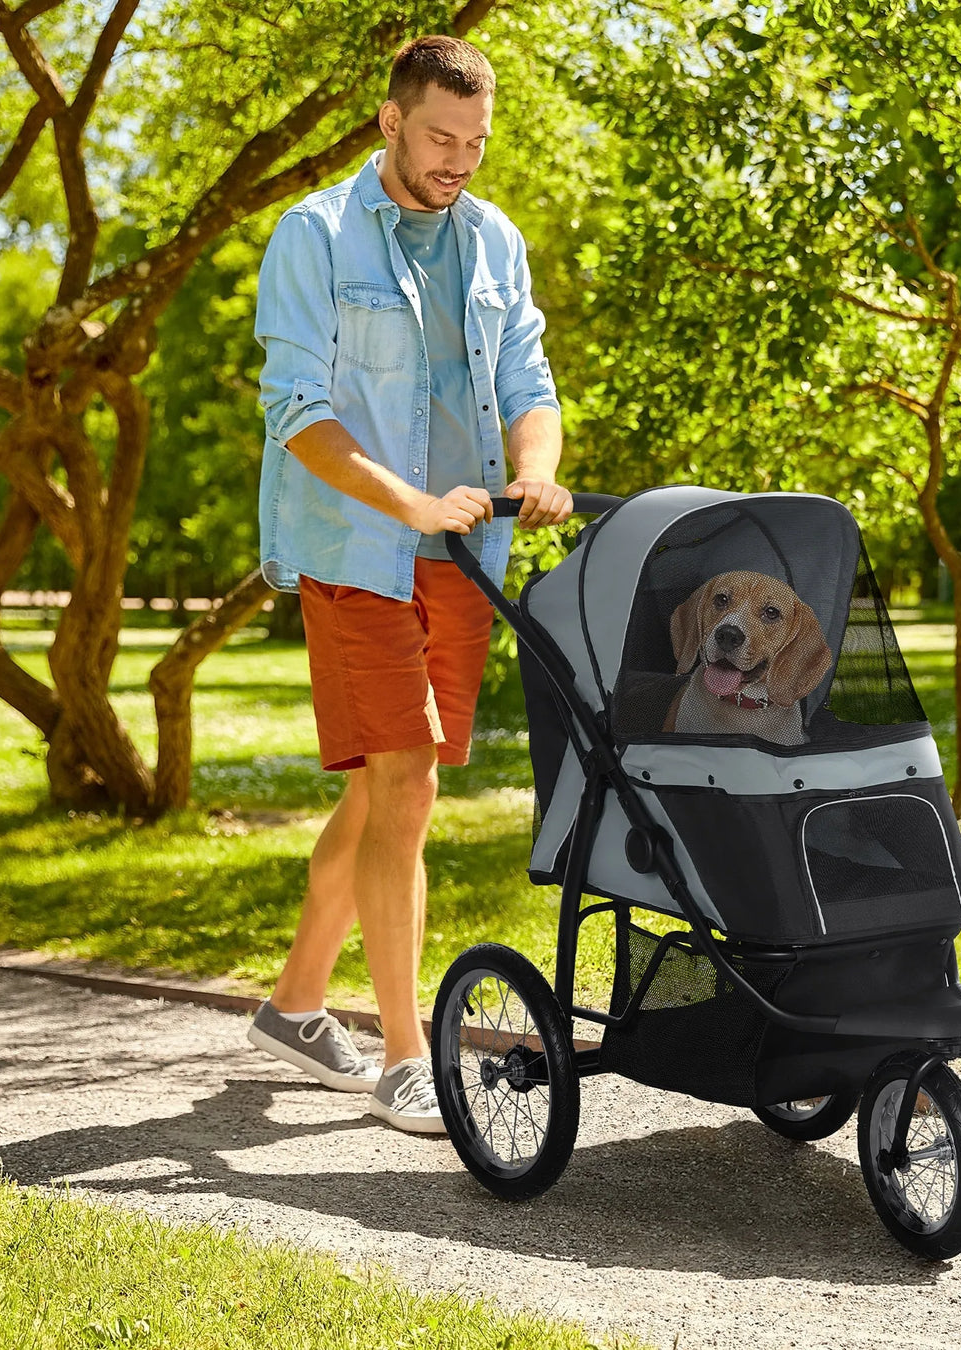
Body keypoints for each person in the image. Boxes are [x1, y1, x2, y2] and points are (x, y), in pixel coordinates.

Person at [246, 34, 572, 1134]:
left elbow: (527, 376)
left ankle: (295, 1007)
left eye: (476, 144)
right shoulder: (317, 236)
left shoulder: (491, 242)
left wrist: (536, 472)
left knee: (385, 786)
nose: (460, 162)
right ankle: (401, 1056)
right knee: (410, 790)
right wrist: (414, 505)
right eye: (442, 138)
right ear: (391, 122)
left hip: (466, 560)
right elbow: (298, 413)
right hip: (359, 554)